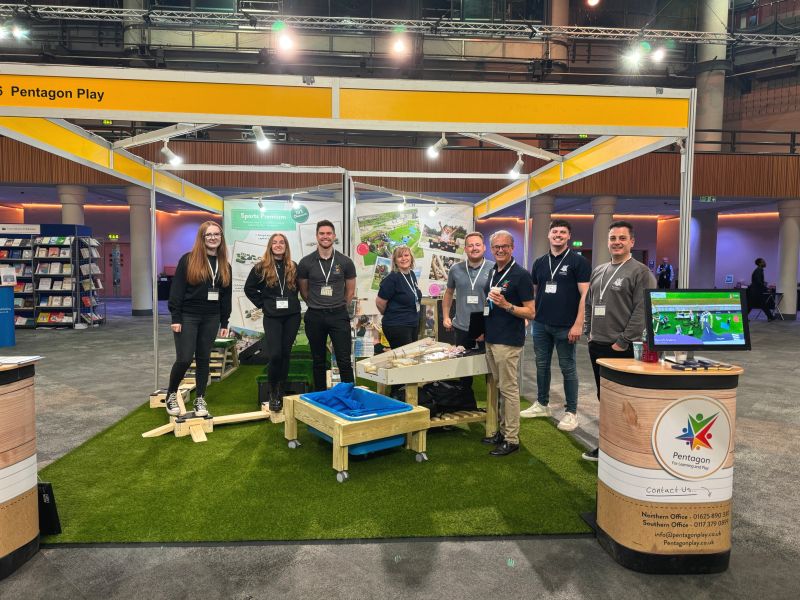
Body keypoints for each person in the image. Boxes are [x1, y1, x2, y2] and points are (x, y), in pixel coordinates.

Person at [582, 220, 656, 461]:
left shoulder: (640, 271)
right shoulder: (599, 270)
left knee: (624, 399)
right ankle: (606, 444)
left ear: (632, 242)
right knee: (605, 397)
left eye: (622, 238)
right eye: (613, 238)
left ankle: (626, 447)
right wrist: (588, 330)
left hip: (621, 347)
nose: (617, 242)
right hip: (597, 343)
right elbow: (591, 302)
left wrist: (624, 341)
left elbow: (642, 309)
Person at [522, 219, 590, 432]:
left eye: (562, 232)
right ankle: (542, 404)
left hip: (566, 325)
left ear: (568, 236)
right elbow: (533, 292)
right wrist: (529, 316)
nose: (558, 235)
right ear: (549, 235)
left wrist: (579, 323)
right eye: (554, 232)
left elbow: (585, 295)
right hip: (541, 324)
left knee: (567, 367)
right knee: (541, 365)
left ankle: (571, 412)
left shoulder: (578, 262)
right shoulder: (540, 262)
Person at [166, 221, 232, 418]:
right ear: (202, 238)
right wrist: (175, 317)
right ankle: (171, 394)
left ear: (221, 238)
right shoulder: (188, 260)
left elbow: (225, 296)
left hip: (211, 317)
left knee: (204, 358)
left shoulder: (224, 265)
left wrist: (224, 322)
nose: (213, 238)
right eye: (208, 235)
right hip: (188, 316)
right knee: (185, 358)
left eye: (216, 234)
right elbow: (176, 291)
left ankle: (200, 398)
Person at [481, 231, 535, 457]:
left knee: (509, 390)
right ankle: (502, 432)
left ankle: (512, 438)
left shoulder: (521, 275)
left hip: (508, 341)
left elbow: (531, 312)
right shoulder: (494, 271)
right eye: (496, 247)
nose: (500, 250)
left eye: (504, 246)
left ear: (512, 248)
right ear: (491, 249)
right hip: (491, 338)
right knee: (499, 387)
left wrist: (506, 305)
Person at [244, 233, 301, 412]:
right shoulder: (261, 267)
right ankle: (273, 390)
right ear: (270, 246)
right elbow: (249, 288)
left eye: (281, 242)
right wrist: (263, 304)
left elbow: (300, 287)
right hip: (272, 317)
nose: (278, 245)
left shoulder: (293, 266)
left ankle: (281, 390)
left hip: (292, 316)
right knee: (275, 354)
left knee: (285, 353)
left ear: (286, 246)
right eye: (274, 242)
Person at [298, 220, 357, 391]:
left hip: (338, 316)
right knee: (318, 359)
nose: (325, 236)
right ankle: (320, 397)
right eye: (322, 233)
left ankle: (348, 396)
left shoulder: (345, 262)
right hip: (315, 316)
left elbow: (350, 291)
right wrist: (317, 304)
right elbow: (304, 291)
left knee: (344, 360)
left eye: (328, 233)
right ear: (317, 236)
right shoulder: (306, 262)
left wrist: (338, 306)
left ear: (334, 236)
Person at [442, 231, 494, 391]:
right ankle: (464, 401)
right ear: (465, 249)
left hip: (486, 328)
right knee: (464, 371)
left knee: (491, 370)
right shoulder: (455, 269)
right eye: (470, 245)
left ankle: (495, 407)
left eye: (477, 245)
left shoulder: (493, 268)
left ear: (484, 247)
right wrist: (445, 316)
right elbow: (449, 292)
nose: (474, 248)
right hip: (462, 327)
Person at [375, 246, 422, 349]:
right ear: (395, 261)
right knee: (405, 360)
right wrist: (388, 313)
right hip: (397, 325)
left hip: (412, 323)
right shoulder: (391, 279)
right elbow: (379, 302)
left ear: (411, 258)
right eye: (399, 256)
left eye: (406, 255)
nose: (404, 258)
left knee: (411, 358)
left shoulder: (412, 274)